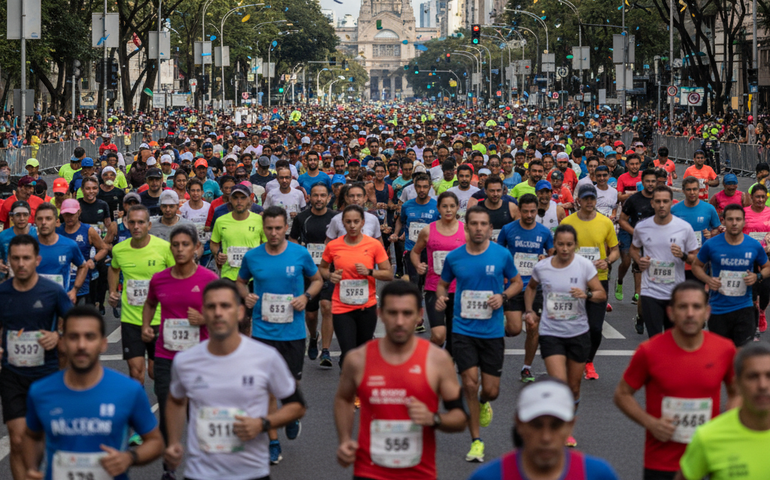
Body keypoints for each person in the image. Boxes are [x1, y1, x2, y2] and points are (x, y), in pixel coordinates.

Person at [164, 279, 307, 480]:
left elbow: (297, 406)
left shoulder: (266, 357)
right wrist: (173, 442)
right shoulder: (185, 361)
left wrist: (262, 424)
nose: (218, 313)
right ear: (203, 313)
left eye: (225, 306)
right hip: (200, 473)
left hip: (251, 473)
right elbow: (176, 401)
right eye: (211, 307)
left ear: (240, 312)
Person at [335, 281, 469, 479]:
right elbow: (344, 399)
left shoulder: (437, 360)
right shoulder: (357, 359)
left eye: (407, 313)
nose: (399, 321)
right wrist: (345, 439)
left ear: (419, 315)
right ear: (380, 314)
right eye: (392, 313)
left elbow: (460, 417)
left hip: (419, 473)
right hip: (368, 471)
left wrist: (434, 418)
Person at [22, 305, 163, 480]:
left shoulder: (128, 390)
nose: (81, 345)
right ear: (63, 342)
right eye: (73, 337)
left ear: (103, 343)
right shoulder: (41, 391)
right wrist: (31, 469)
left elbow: (155, 442)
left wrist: (129, 457)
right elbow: (31, 437)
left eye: (90, 337)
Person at [614, 281, 738, 480]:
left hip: (708, 458)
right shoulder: (649, 351)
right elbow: (622, 394)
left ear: (707, 312)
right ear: (671, 313)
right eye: (683, 307)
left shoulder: (724, 349)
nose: (690, 313)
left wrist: (726, 425)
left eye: (696, 307)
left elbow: (737, 392)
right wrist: (651, 423)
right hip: (662, 462)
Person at [237, 206, 323, 464]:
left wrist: (306, 297)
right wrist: (247, 295)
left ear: (286, 227)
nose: (274, 233)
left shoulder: (299, 254)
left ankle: (291, 413)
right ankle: (273, 441)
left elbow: (317, 279)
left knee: (291, 385)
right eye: (269, 228)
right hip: (263, 331)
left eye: (278, 228)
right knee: (266, 389)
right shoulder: (252, 257)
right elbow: (240, 282)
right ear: (263, 229)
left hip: (293, 332)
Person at [436, 206, 522, 462]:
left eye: (483, 224)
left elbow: (517, 282)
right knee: (470, 384)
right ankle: (476, 441)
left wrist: (504, 296)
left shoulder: (501, 255)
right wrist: (441, 298)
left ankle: (485, 401)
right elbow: (442, 283)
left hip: (492, 331)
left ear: (489, 227)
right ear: (467, 226)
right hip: (462, 329)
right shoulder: (454, 257)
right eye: (474, 224)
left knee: (491, 390)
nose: (478, 228)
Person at [141, 224, 218, 479]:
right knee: (167, 410)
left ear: (197, 247)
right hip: (167, 355)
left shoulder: (209, 279)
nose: (180, 249)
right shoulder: (160, 279)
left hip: (200, 357)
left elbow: (224, 313)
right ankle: (169, 467)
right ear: (170, 248)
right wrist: (145, 326)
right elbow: (150, 303)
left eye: (186, 244)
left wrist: (205, 318)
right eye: (176, 245)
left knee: (199, 412)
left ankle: (202, 463)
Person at [524, 224, 606, 447]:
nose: (565, 248)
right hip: (551, 333)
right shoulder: (542, 267)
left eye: (569, 244)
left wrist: (586, 294)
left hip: (578, 333)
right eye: (560, 244)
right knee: (559, 384)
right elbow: (530, 288)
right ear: (554, 245)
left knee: (574, 387)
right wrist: (529, 310)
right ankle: (559, 429)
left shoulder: (584, 266)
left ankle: (568, 422)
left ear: (575, 245)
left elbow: (601, 294)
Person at [0, 235, 73, 480]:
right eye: (16, 258)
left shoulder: (52, 291)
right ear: (8, 260)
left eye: (26, 258)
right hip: (13, 375)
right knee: (18, 440)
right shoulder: (2, 293)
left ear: (37, 260)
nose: (21, 264)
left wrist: (58, 336)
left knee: (40, 438)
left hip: (46, 375)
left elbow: (77, 327)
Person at [467, 377, 619, 480]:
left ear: (571, 425)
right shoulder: (487, 477)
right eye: (536, 425)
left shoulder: (599, 475)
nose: (546, 437)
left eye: (556, 425)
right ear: (519, 424)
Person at [674, 343, 770, 480]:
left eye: (769, 376)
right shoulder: (707, 437)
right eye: (753, 376)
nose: (763, 385)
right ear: (737, 384)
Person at [108, 205, 176, 393]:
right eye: (132, 222)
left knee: (155, 372)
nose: (136, 226)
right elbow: (113, 268)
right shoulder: (119, 250)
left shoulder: (164, 248)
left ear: (149, 225)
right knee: (136, 373)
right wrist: (112, 291)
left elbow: (176, 275)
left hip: (159, 319)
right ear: (127, 224)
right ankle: (140, 415)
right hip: (131, 320)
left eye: (141, 222)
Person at [319, 205, 393, 368]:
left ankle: (359, 390)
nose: (352, 225)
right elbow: (322, 267)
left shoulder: (374, 245)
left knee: (363, 352)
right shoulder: (334, 246)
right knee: (349, 352)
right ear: (343, 224)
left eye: (356, 221)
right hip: (341, 307)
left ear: (362, 223)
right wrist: (330, 275)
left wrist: (369, 271)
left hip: (366, 307)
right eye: (348, 222)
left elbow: (388, 274)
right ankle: (348, 388)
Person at [560, 184, 619, 380]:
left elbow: (615, 250)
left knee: (595, 327)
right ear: (578, 201)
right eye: (585, 199)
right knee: (571, 324)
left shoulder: (605, 223)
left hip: (598, 280)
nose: (589, 202)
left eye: (592, 199)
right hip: (572, 280)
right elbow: (558, 248)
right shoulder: (567, 222)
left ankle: (589, 360)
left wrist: (608, 260)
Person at [692, 204, 770, 347]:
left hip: (744, 308)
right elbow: (696, 266)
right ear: (723, 221)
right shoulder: (711, 244)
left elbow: (767, 267)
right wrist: (708, 279)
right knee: (720, 355)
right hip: (718, 309)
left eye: (738, 219)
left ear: (744, 222)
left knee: (741, 356)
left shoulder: (753, 245)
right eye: (730, 219)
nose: (734, 223)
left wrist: (757, 277)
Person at [497, 193, 555, 383]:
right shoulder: (507, 229)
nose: (529, 215)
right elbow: (499, 252)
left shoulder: (544, 232)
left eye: (532, 211)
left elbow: (553, 256)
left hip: (535, 285)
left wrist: (546, 258)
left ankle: (526, 368)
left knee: (532, 326)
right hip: (514, 285)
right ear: (519, 211)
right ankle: (499, 329)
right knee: (514, 329)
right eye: (525, 211)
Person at [631, 185, 699, 337]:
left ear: (671, 203)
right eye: (658, 201)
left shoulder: (684, 228)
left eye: (665, 201)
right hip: (650, 291)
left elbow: (696, 258)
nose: (661, 205)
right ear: (652, 203)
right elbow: (634, 249)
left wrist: (683, 256)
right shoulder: (642, 227)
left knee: (673, 339)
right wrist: (639, 260)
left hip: (675, 293)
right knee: (655, 338)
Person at [411, 191, 467, 350]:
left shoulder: (465, 231)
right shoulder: (428, 230)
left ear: (457, 208)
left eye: (451, 206)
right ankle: (429, 357)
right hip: (434, 288)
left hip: (458, 290)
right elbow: (415, 252)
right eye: (444, 206)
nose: (448, 210)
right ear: (438, 208)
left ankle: (446, 365)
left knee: (453, 335)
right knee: (438, 335)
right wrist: (418, 265)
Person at [289, 183, 337, 367]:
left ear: (328, 197)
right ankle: (313, 336)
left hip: (329, 270)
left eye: (322, 195)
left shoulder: (335, 218)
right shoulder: (302, 218)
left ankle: (325, 351)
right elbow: (292, 239)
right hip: (308, 272)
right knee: (310, 315)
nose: (319, 199)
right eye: (315, 195)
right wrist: (299, 250)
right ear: (309, 197)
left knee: (327, 307)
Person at [618, 169, 657, 331]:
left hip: (652, 239)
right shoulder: (634, 200)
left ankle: (639, 302)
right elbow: (622, 220)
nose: (650, 184)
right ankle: (620, 281)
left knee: (647, 274)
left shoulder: (660, 199)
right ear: (642, 182)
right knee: (628, 260)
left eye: (653, 181)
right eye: (647, 181)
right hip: (630, 233)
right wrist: (636, 233)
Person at [392, 173, 440, 291]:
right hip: (411, 250)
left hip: (430, 251)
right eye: (419, 186)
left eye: (425, 187)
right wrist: (396, 233)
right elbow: (401, 220)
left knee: (429, 286)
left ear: (430, 187)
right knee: (414, 285)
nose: (422, 190)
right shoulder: (407, 206)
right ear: (414, 187)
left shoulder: (436, 206)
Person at [57, 198, 109, 305]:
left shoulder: (87, 230)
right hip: (62, 282)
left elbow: (104, 248)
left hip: (83, 283)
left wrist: (93, 260)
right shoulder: (57, 231)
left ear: (79, 212)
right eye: (66, 214)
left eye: (72, 214)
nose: (69, 217)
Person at [210, 184, 267, 281]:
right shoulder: (220, 221)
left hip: (253, 276)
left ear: (249, 199)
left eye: (243, 198)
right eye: (235, 198)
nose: (239, 201)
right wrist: (218, 254)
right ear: (230, 200)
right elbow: (214, 243)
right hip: (228, 275)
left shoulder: (259, 220)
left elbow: (266, 244)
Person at [33, 203, 87, 303]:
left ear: (56, 221)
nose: (44, 222)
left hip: (59, 302)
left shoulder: (69, 245)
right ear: (35, 221)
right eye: (40, 219)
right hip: (33, 302)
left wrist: (75, 290)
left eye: (48, 218)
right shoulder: (28, 245)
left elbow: (83, 266)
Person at [671, 177, 723, 282]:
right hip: (680, 259)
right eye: (689, 189)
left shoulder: (709, 209)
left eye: (695, 189)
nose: (692, 192)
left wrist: (712, 235)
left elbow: (718, 231)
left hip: (702, 259)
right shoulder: (674, 210)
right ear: (683, 190)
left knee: (700, 293)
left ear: (699, 190)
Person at [264, 166, 306, 232]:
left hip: (294, 231)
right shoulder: (271, 194)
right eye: (281, 178)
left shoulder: (299, 194)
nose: (284, 180)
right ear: (277, 179)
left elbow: (304, 214)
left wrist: (297, 215)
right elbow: (265, 213)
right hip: (276, 232)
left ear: (291, 178)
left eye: (287, 177)